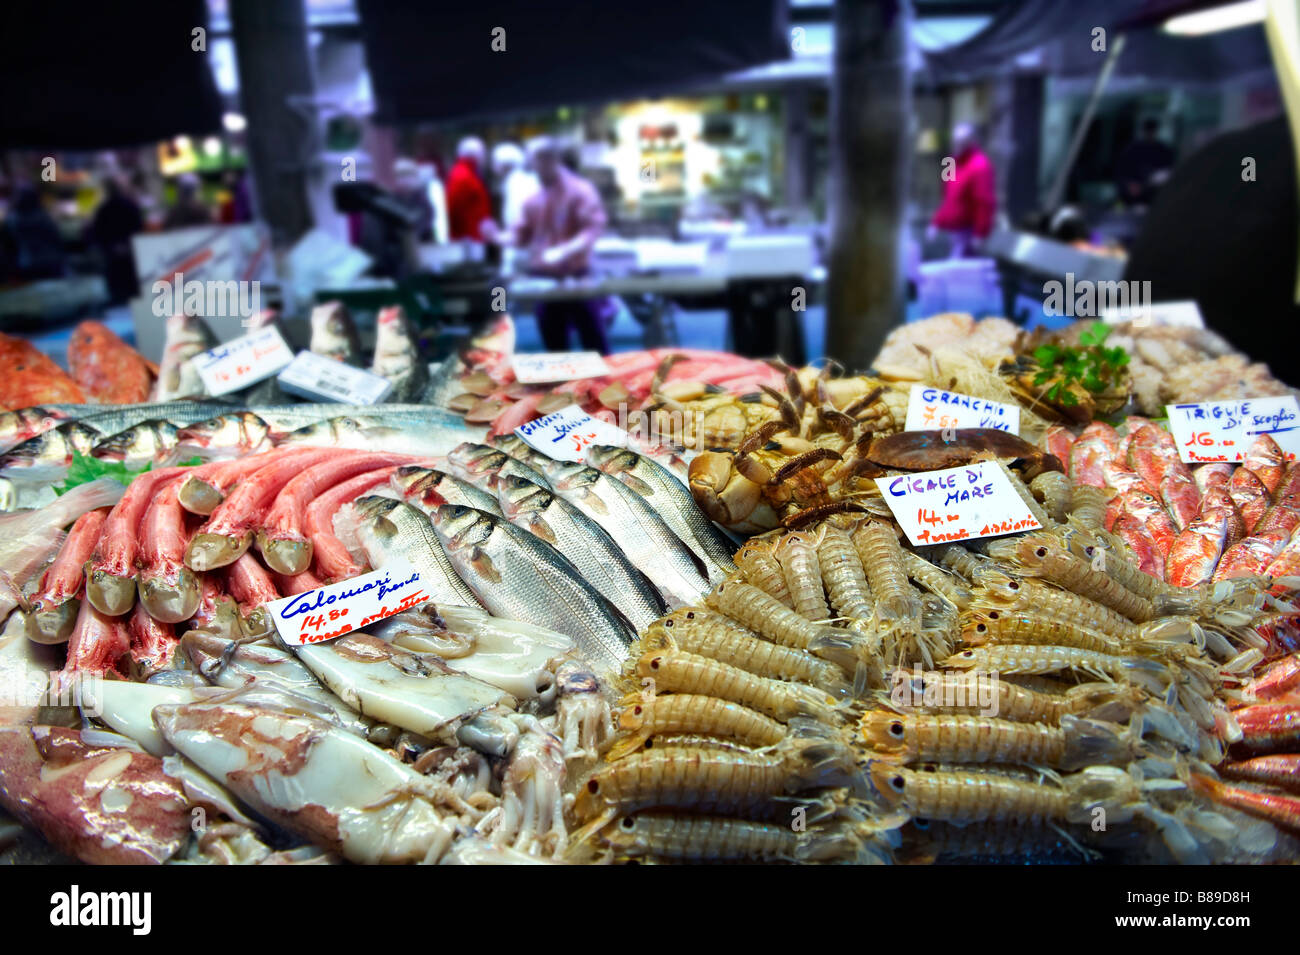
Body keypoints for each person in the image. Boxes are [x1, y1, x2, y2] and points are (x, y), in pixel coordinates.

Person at [489, 137, 612, 353]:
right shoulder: (534, 198)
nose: (539, 165)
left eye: (545, 159)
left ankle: (606, 384)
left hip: (577, 279)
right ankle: (563, 384)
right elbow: (521, 234)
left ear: (554, 159)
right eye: (536, 160)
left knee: (595, 344)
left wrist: (566, 250)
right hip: (544, 281)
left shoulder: (579, 190)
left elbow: (593, 228)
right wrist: (497, 237)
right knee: (554, 347)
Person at [927, 122, 997, 257]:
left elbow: (984, 202)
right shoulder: (950, 162)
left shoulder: (981, 165)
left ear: (971, 141)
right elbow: (947, 197)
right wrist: (936, 222)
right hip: (952, 231)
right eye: (955, 141)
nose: (957, 145)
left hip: (968, 231)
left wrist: (980, 233)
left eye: (962, 141)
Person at [88, 175, 144, 304]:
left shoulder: (103, 210)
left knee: (119, 288)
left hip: (113, 255)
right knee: (132, 287)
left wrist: (112, 246)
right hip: (131, 252)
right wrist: (128, 245)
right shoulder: (130, 205)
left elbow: (98, 233)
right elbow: (138, 227)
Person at [1, 185, 65, 281]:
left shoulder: (12, 220)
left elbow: (8, 248)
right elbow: (57, 239)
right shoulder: (45, 217)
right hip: (52, 263)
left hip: (26, 265)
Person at [1115, 118, 1175, 208]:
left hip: (1154, 195)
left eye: (1152, 131)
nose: (1150, 134)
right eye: (1149, 131)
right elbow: (1122, 171)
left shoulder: (1162, 150)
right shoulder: (1133, 149)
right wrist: (1129, 184)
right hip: (1132, 196)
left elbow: (1167, 173)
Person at [445, 137, 492, 241]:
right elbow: (453, 208)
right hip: (467, 237)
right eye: (482, 153)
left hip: (474, 234)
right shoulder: (462, 175)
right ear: (475, 154)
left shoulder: (470, 172)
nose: (484, 157)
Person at [491, 142, 539, 232]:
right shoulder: (512, 182)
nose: (494, 168)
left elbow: (516, 217)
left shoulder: (516, 183)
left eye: (496, 163)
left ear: (506, 165)